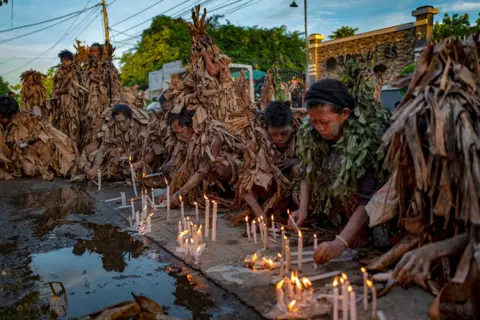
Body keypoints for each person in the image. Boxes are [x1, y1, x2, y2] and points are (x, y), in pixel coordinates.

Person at [290, 79, 380, 265]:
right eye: (313, 122)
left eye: (324, 122)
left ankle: (359, 229)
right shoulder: (313, 134)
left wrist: (340, 243)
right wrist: (303, 208)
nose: (319, 128)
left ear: (344, 114)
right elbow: (308, 169)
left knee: (340, 166)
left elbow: (367, 199)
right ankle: (338, 221)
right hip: (337, 199)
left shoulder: (365, 142)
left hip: (367, 204)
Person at [242, 101, 300, 219]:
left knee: (298, 169)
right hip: (270, 198)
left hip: (294, 195)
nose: (279, 138)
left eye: (284, 133)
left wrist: (295, 161)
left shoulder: (304, 137)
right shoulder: (257, 141)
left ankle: (301, 213)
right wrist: (258, 212)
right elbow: (245, 183)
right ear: (266, 128)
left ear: (293, 128)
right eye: (274, 134)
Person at [0, 96, 76, 180]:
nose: (8, 119)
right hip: (7, 158)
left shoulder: (25, 118)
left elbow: (41, 134)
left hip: (23, 153)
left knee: (42, 143)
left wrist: (27, 141)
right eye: (4, 117)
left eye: (10, 117)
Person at [73, 103, 148, 181]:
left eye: (123, 121)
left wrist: (134, 156)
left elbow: (146, 149)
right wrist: (95, 168)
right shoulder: (111, 128)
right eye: (118, 122)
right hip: (119, 158)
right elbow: (103, 149)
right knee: (89, 162)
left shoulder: (140, 128)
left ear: (130, 119)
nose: (121, 125)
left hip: (137, 159)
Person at [51, 49, 85, 148]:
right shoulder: (59, 71)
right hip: (59, 103)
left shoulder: (75, 71)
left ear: (71, 60)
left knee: (71, 122)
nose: (64, 62)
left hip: (70, 102)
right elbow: (55, 85)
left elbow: (74, 89)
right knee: (60, 123)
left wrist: (59, 91)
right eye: (62, 60)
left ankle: (73, 146)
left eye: (66, 60)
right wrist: (54, 93)